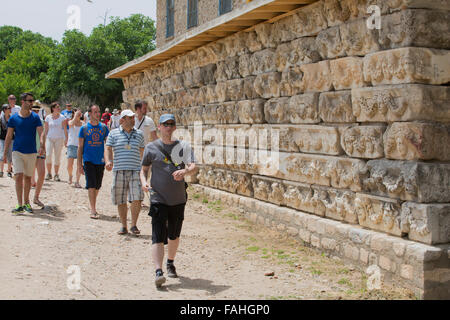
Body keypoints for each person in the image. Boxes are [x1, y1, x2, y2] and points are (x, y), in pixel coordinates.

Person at [140, 114, 196, 288]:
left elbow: (194, 166)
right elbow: (143, 170)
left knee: (174, 234)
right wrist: (144, 183)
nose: (169, 127)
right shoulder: (151, 148)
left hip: (178, 198)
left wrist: (184, 172)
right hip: (158, 197)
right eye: (165, 124)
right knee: (157, 234)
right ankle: (158, 271)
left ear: (175, 127)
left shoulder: (183, 147)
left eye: (172, 124)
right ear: (159, 127)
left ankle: (170, 262)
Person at [3, 93, 45, 214]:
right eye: (29, 101)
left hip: (31, 151)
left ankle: (27, 202)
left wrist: (42, 144)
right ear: (22, 101)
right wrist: (5, 153)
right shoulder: (14, 118)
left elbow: (41, 132)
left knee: (27, 178)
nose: (32, 103)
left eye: (32, 101)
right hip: (17, 151)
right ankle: (20, 204)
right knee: (18, 177)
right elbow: (9, 135)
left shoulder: (35, 118)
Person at [105, 109, 145, 235]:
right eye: (130, 118)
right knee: (120, 199)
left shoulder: (139, 134)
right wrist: (108, 161)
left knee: (137, 197)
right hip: (119, 170)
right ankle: (124, 226)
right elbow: (108, 148)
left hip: (135, 170)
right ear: (122, 120)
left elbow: (142, 152)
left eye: (133, 117)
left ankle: (133, 225)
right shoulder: (113, 133)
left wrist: (143, 169)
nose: (133, 120)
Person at [78, 104, 109, 219]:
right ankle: (93, 209)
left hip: (100, 161)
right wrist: (79, 164)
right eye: (95, 112)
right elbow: (80, 147)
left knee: (97, 186)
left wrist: (108, 159)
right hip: (88, 160)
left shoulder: (104, 128)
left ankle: (92, 203)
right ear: (89, 114)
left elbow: (107, 145)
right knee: (91, 184)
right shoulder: (84, 128)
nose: (98, 114)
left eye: (98, 111)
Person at [44, 102, 68, 182]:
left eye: (59, 107)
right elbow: (46, 129)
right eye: (57, 107)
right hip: (49, 138)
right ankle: (49, 173)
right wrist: (43, 139)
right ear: (53, 108)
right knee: (48, 155)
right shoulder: (48, 117)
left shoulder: (62, 118)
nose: (58, 108)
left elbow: (65, 129)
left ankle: (56, 174)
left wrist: (66, 139)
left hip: (59, 138)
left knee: (57, 156)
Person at [31, 105, 46, 207]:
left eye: (37, 110)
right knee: (27, 175)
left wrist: (43, 146)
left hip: (39, 150)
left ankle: (36, 197)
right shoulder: (26, 120)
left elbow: (43, 135)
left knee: (42, 173)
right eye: (34, 110)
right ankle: (25, 200)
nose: (36, 112)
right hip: (29, 150)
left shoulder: (41, 121)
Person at [67, 109, 83, 188]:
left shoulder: (83, 124)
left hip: (80, 146)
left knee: (79, 165)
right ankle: (70, 175)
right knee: (69, 165)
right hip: (71, 144)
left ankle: (77, 181)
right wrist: (75, 116)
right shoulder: (70, 122)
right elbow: (71, 124)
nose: (79, 115)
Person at [0, 104, 13, 178]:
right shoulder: (0, 118)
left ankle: (9, 171)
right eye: (9, 108)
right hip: (2, 138)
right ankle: (1, 171)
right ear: (5, 110)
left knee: (9, 155)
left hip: (11, 138)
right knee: (1, 154)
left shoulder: (12, 118)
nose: (10, 109)